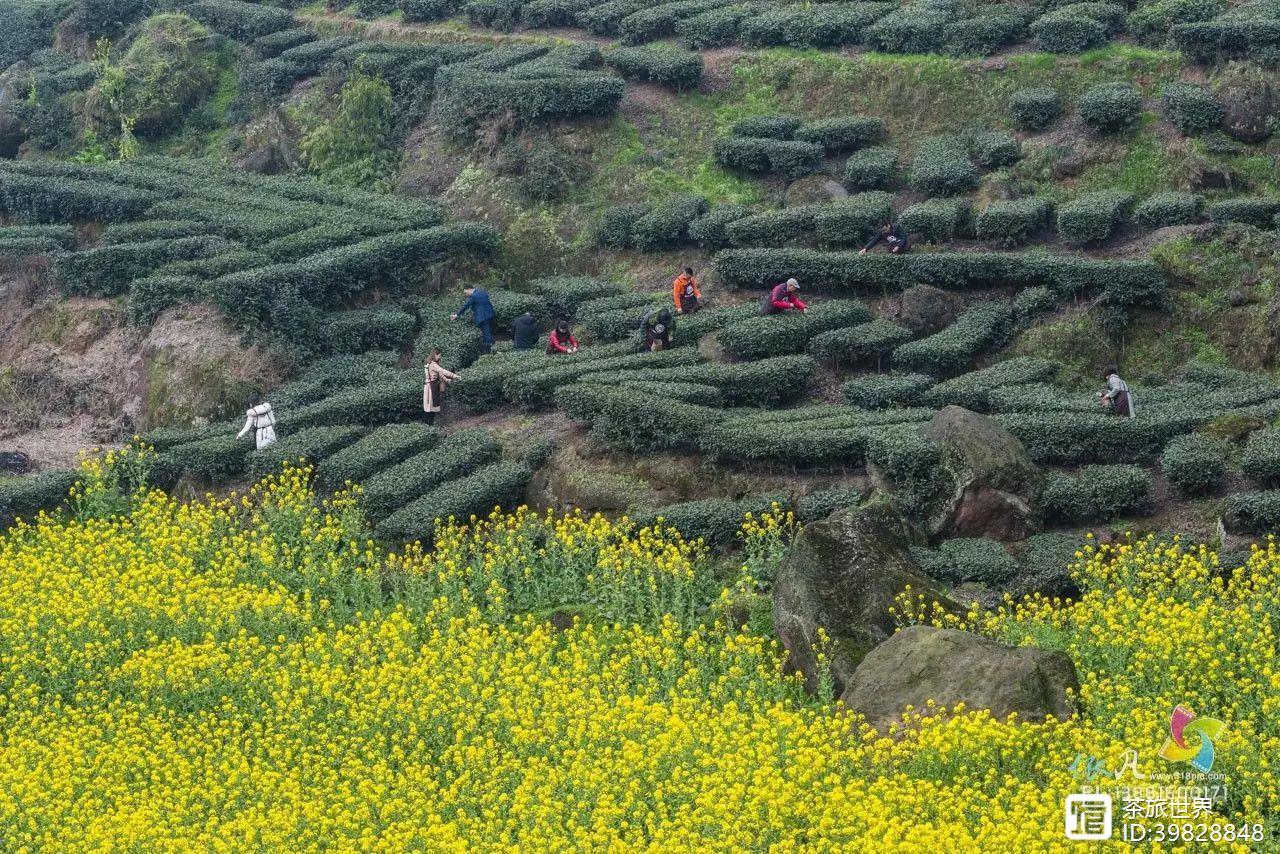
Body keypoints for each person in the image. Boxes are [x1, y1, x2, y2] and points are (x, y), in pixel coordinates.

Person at [451, 285, 495, 353]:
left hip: (482, 317)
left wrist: (457, 315)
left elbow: (466, 306)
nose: (466, 294)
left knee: (486, 334)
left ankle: (490, 350)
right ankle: (493, 346)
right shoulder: (483, 292)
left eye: (466, 292)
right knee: (489, 331)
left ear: (469, 289)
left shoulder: (473, 296)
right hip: (490, 314)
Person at [424, 348, 460, 425]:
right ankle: (429, 425)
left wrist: (447, 380)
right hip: (431, 387)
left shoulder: (429, 363)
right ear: (435, 355)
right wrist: (455, 376)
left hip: (430, 386)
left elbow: (439, 374)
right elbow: (442, 371)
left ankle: (429, 425)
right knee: (431, 408)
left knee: (430, 407)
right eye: (439, 355)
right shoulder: (433, 364)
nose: (440, 357)